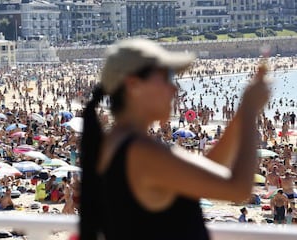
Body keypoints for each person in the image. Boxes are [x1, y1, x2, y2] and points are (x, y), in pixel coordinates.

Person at [79, 38, 270, 239]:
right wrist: (249, 111)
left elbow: (205, 170)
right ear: (133, 85)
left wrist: (241, 113)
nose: (175, 88)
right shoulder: (142, 152)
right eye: (167, 77)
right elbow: (238, 189)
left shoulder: (115, 142)